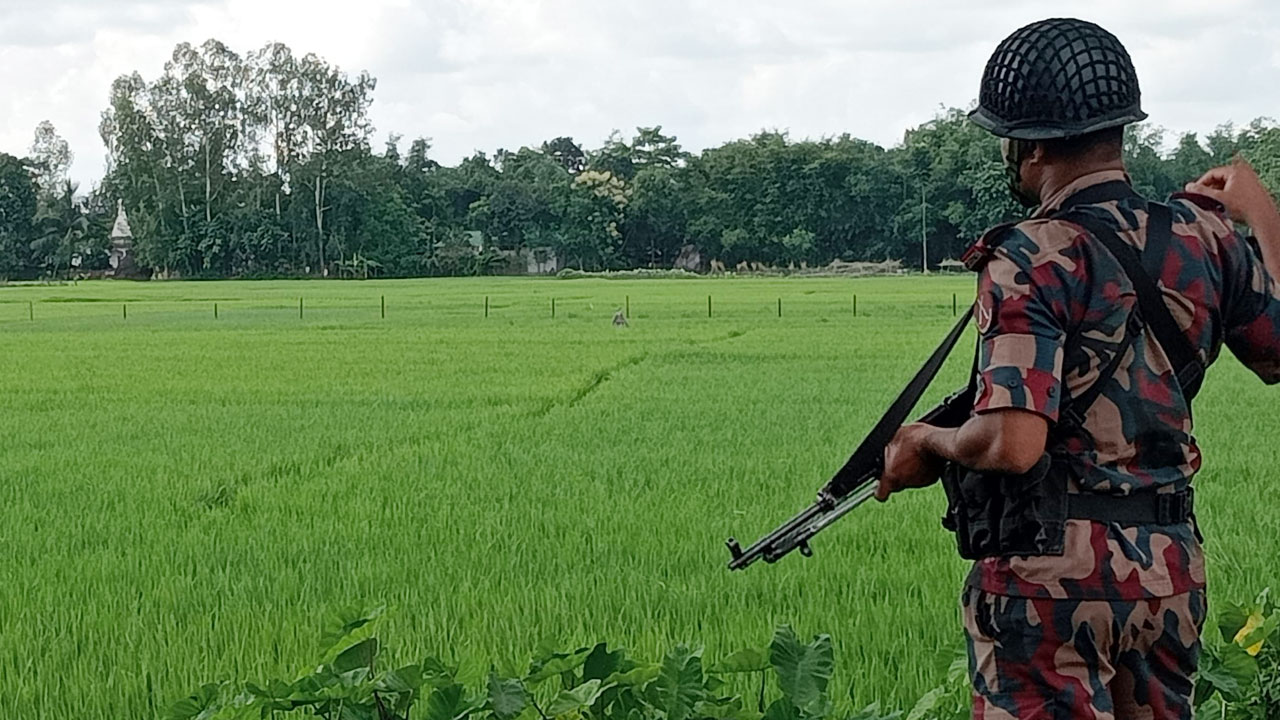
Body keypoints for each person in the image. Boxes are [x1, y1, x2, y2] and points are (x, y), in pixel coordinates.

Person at [874, 17, 1280, 720]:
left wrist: (926, 442)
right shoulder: (1203, 236)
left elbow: (1011, 439)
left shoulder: (1031, 254)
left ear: (1028, 146)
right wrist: (1264, 211)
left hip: (1050, 586)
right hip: (1168, 575)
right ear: (1119, 130)